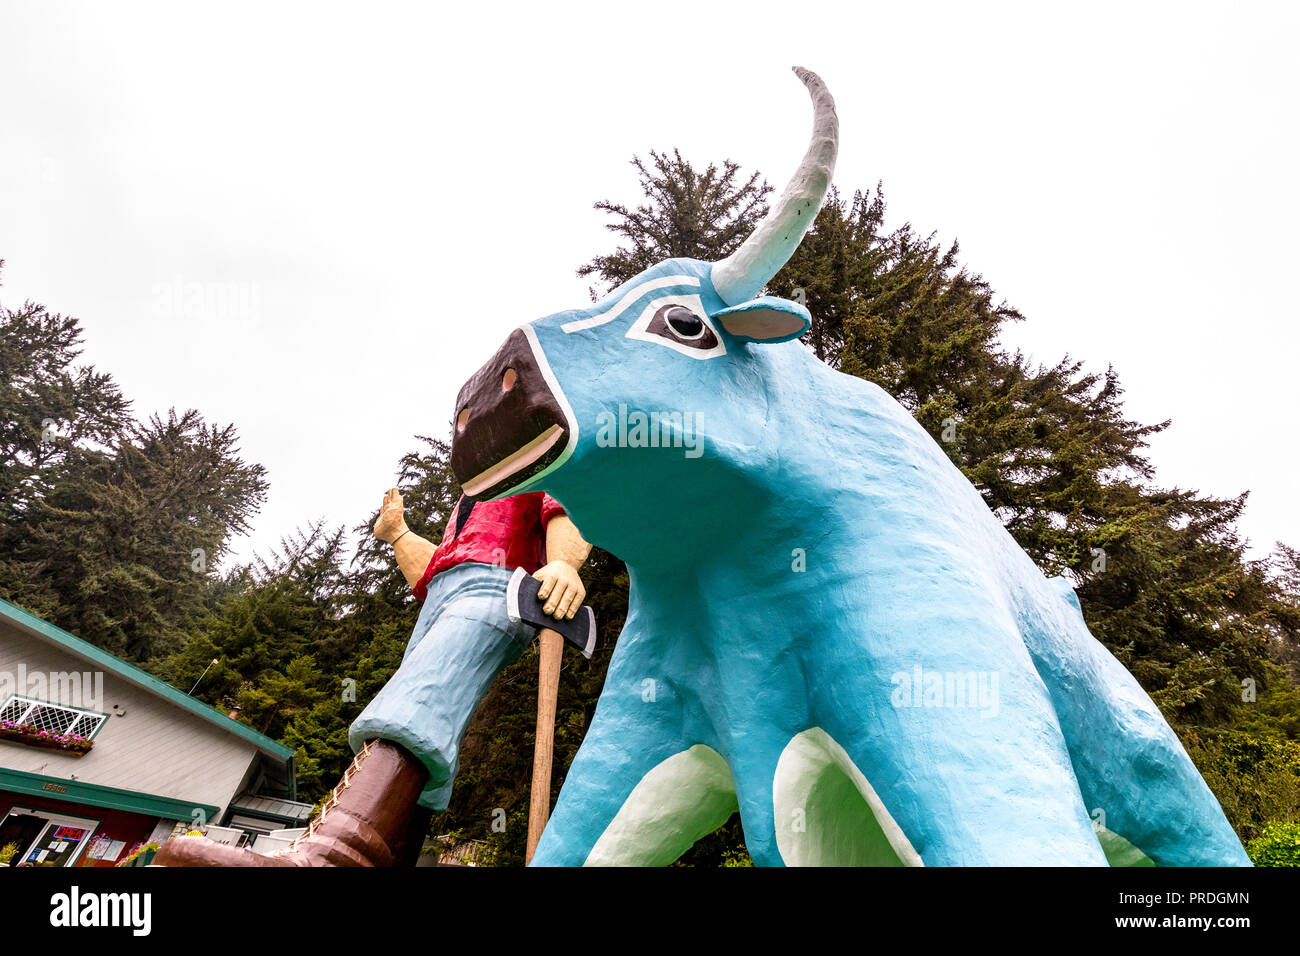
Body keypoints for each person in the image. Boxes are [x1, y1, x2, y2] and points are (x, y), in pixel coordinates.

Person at [156, 487, 590, 867]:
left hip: (501, 587)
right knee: (428, 705)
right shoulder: (474, 492)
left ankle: (336, 855)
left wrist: (564, 563)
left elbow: (567, 501)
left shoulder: (534, 461)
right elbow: (438, 568)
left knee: (423, 698)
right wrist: (399, 533)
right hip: (440, 598)